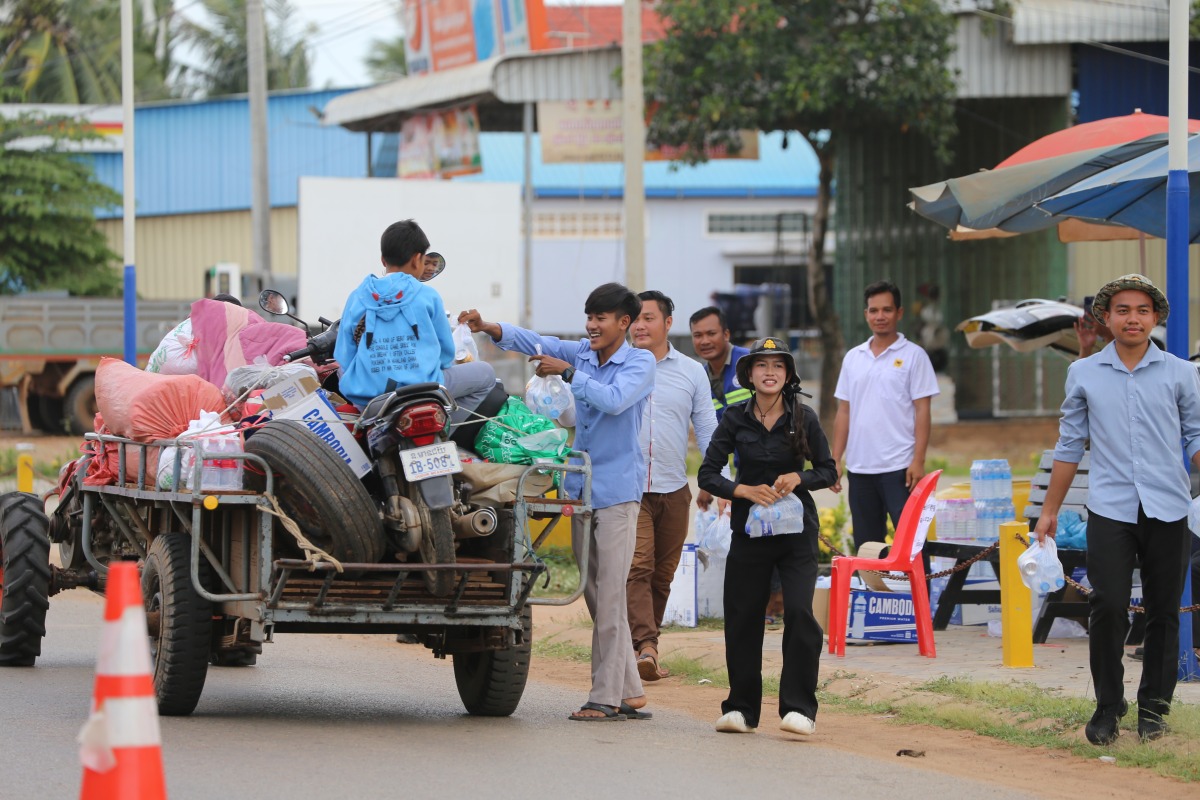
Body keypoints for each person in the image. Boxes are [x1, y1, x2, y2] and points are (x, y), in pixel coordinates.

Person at [458, 283, 655, 722]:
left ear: (624, 323)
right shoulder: (583, 352)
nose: (592, 326)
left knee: (609, 597)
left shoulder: (639, 363)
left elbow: (614, 401)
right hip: (580, 488)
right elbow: (535, 341)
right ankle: (630, 690)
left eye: (601, 318)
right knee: (595, 591)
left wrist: (567, 373)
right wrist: (490, 328)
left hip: (618, 493)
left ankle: (604, 697)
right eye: (589, 317)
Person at [1034, 274, 1200, 745]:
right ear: (1106, 318)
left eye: (1143, 310)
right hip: (1110, 507)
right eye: (1123, 310)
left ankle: (1155, 709)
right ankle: (1109, 704)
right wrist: (1050, 510)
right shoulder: (1084, 373)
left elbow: (1195, 436)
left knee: (1164, 611)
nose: (1133, 318)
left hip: (1168, 506)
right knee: (1107, 604)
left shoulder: (1180, 373)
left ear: (1156, 319)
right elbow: (1069, 446)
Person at [698, 337, 836, 736]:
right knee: (742, 617)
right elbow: (708, 473)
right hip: (749, 532)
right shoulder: (734, 419)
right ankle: (741, 708)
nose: (770, 372)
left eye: (778, 366)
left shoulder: (804, 417)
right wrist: (742, 490)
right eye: (762, 366)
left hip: (797, 534)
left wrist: (799, 477)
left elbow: (828, 470)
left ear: (788, 374)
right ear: (750, 374)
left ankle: (799, 710)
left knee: (799, 612)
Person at [627, 290, 719, 682]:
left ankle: (645, 646)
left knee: (662, 574)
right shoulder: (616, 365)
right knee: (638, 566)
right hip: (628, 489)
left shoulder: (692, 372)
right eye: (634, 319)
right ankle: (646, 645)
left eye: (648, 318)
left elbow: (708, 428)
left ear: (667, 323)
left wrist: (719, 480)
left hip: (673, 488)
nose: (639, 325)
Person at [332, 219, 495, 423]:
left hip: (370, 398)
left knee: (341, 370)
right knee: (486, 374)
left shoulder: (357, 297)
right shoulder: (428, 295)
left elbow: (344, 355)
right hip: (423, 389)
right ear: (418, 259)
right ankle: (442, 427)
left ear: (383, 260)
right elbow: (446, 355)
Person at [831, 280, 939, 551]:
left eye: (887, 310)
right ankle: (872, 592)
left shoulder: (915, 356)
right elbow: (843, 411)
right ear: (866, 314)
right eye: (874, 310)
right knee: (868, 547)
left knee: (911, 545)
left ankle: (918, 593)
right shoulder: (853, 358)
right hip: (860, 469)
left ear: (899, 313)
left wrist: (918, 460)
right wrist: (834, 459)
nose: (880, 316)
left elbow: (922, 410)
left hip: (900, 468)